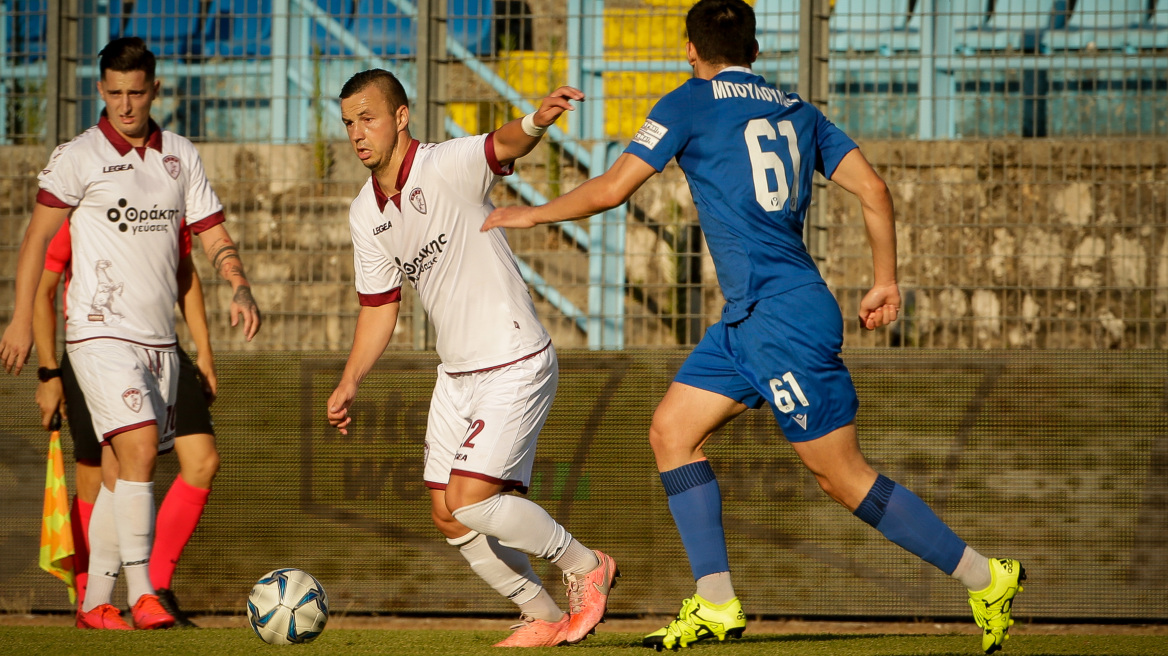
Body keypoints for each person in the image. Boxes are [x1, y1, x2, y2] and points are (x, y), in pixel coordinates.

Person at [482, 1, 1025, 653]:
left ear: (690, 49)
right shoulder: (796, 108)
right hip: (752, 319)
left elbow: (610, 190)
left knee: (842, 478)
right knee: (671, 432)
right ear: (756, 50)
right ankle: (717, 603)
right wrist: (885, 280)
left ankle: (985, 576)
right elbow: (875, 189)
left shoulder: (688, 101)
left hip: (782, 322)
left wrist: (528, 215)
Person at [326, 69, 617, 648]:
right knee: (448, 513)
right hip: (456, 373)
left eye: (368, 117)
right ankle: (543, 615)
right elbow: (380, 308)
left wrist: (537, 119)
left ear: (401, 116)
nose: (358, 133)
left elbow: (503, 143)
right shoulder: (366, 213)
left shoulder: (445, 164)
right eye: (348, 123)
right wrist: (350, 379)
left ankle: (586, 565)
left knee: (470, 499)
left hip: (513, 357)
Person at [0, 37, 260, 630]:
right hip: (96, 333)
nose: (124, 105)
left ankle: (95, 602)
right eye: (114, 93)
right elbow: (38, 241)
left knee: (122, 472)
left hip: (159, 342)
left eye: (135, 93)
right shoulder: (78, 156)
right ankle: (145, 594)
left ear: (155, 89)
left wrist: (239, 284)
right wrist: (19, 318)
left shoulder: (181, 156)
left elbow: (211, 233)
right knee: (139, 446)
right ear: (100, 91)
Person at [34, 218, 221, 628]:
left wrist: (204, 350)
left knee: (201, 460)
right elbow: (44, 286)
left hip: (159, 349)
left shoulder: (167, 195)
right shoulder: (85, 206)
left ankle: (151, 590)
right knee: (102, 471)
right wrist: (48, 372)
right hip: (97, 350)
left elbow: (184, 273)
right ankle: (95, 601)